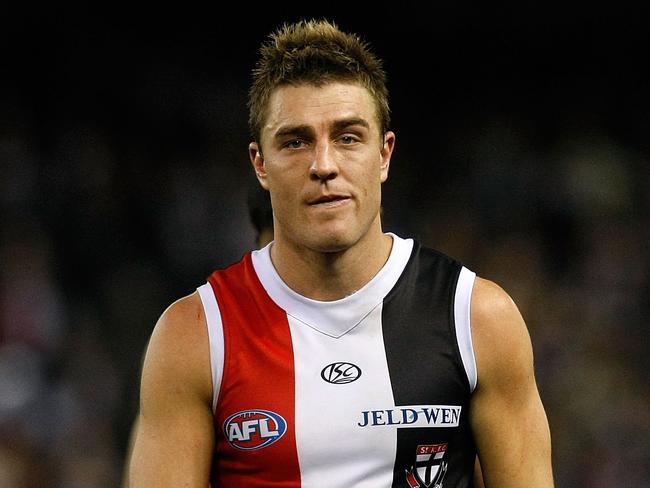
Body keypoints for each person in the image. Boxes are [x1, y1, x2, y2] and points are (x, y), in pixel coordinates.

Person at [127, 19, 553, 487]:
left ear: (385, 154)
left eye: (348, 137)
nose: (324, 165)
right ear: (260, 164)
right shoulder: (194, 335)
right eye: (296, 141)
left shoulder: (476, 317)